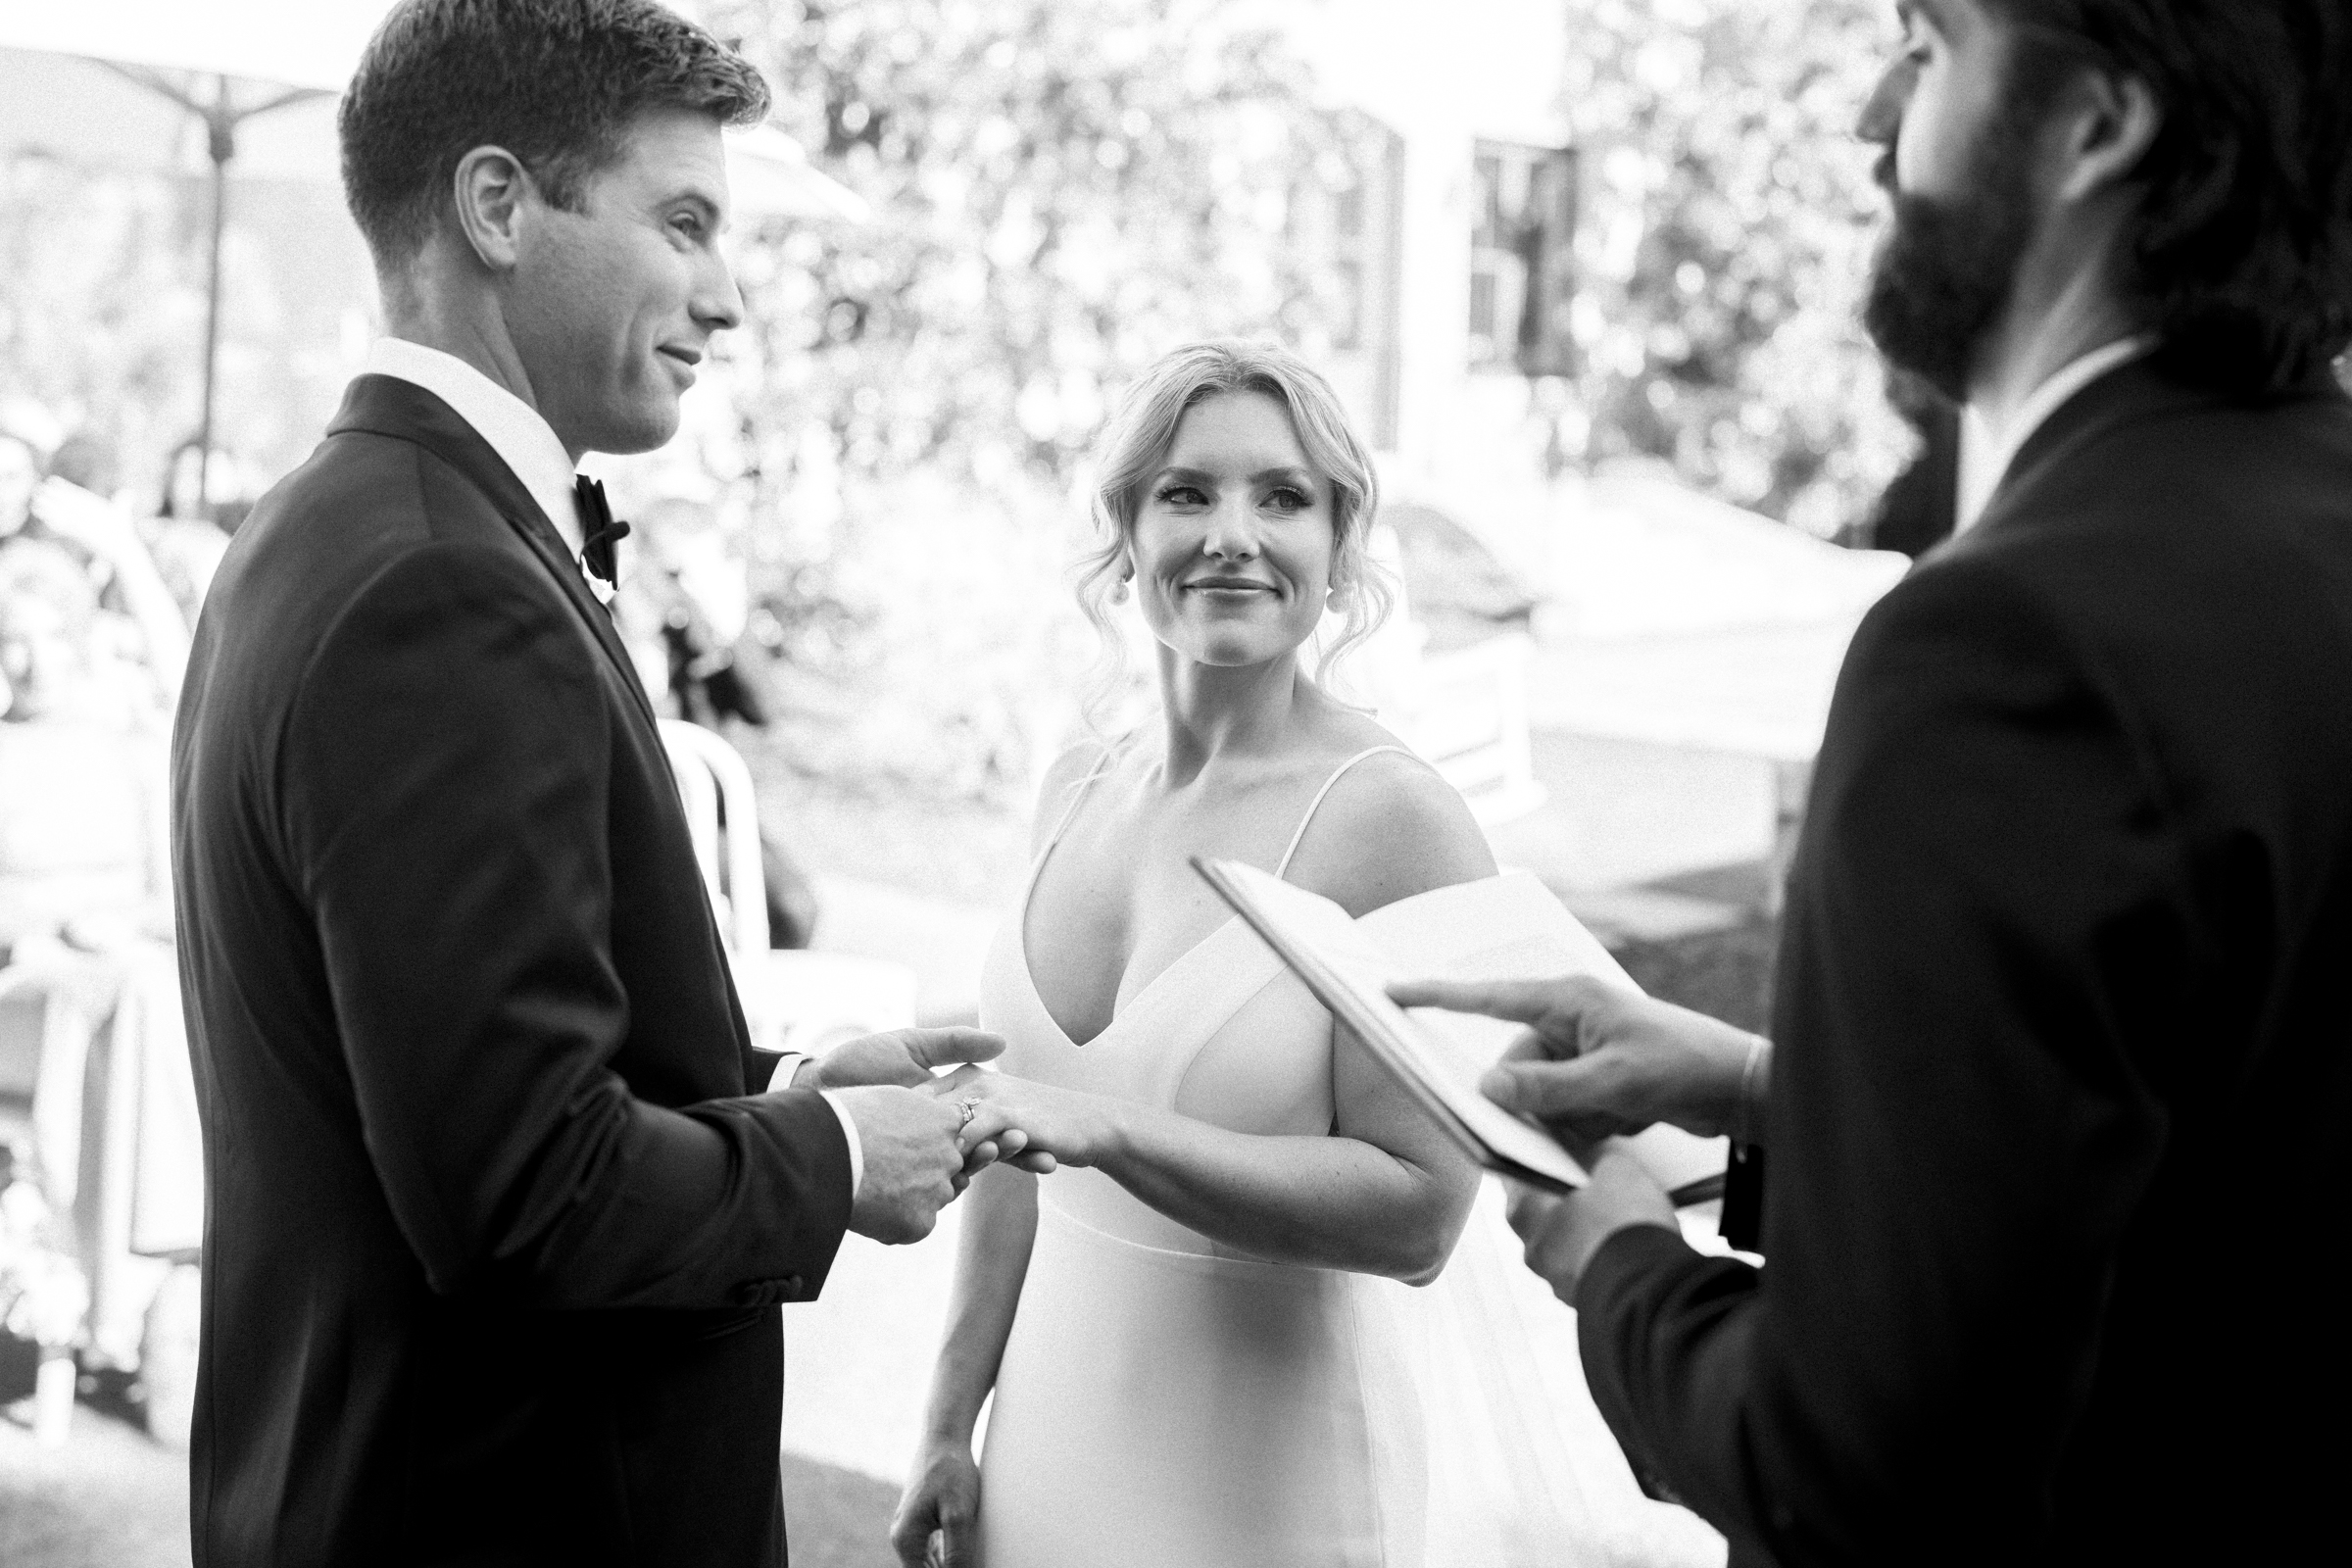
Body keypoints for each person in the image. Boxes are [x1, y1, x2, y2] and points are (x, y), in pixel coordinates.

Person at [1396, 2, 2352, 1563]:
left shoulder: (2008, 643)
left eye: (1929, 48)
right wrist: (1770, 1088)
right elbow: (2222, 1171)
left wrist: (1621, 1258)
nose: (1869, 122)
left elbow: (1858, 1473)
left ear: (2097, 123)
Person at [171, 4, 1027, 1563]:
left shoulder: (334, 524)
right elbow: (523, 1193)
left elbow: (461, 1069)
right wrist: (836, 1161)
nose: (731, 299)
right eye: (685, 222)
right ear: (499, 207)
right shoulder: (439, 588)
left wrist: (777, 1093)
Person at [891, 340, 1723, 1568]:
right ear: (1127, 532)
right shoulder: (1074, 785)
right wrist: (948, 1422)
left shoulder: (1392, 816)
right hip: (1041, 1452)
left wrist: (1113, 1130)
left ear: (1337, 552)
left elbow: (1420, 1216)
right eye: (1187, 491)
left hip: (1266, 1478)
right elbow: (1013, 1155)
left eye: (1281, 497)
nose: (1233, 532)